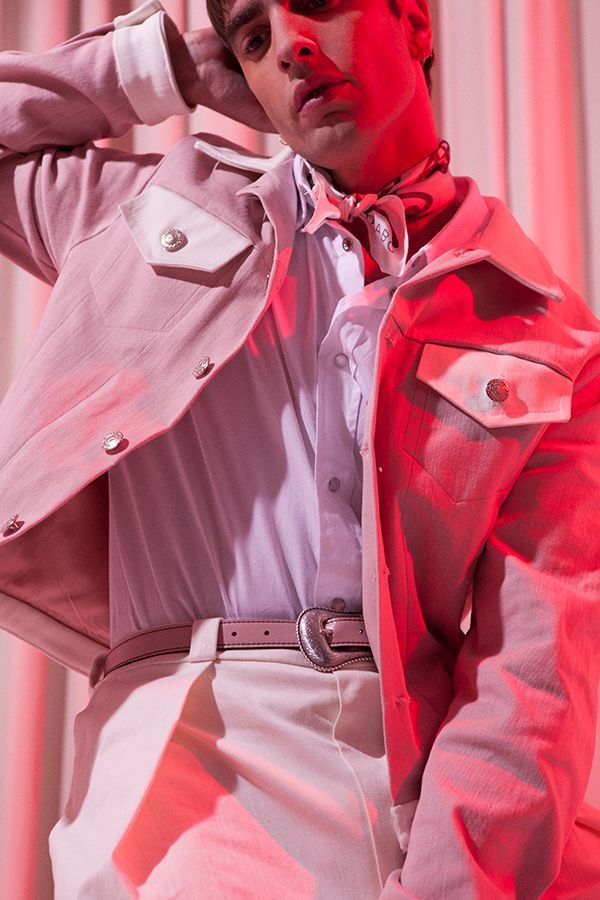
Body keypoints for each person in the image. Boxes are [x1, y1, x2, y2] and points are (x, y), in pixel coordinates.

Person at [0, 0, 599, 896]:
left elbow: (535, 668)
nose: (291, 46)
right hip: (185, 755)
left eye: (317, 3)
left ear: (416, 23)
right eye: (254, 36)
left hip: (417, 779)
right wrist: (166, 65)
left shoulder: (549, 334)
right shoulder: (143, 214)